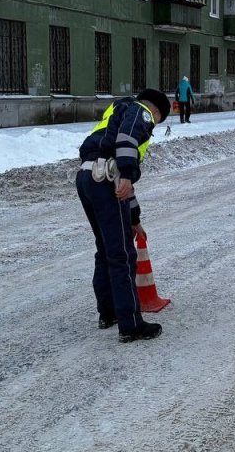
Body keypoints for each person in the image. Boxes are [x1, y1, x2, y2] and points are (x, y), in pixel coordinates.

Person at [76, 88, 171, 343]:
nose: (154, 124)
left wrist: (134, 219)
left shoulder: (118, 110)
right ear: (157, 111)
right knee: (122, 254)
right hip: (105, 178)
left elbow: (122, 178)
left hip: (87, 177)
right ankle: (131, 324)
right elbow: (126, 143)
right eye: (158, 120)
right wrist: (128, 175)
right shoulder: (142, 112)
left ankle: (108, 313)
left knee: (106, 249)